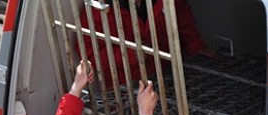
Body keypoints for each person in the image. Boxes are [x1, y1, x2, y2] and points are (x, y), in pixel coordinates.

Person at [79, 0, 214, 87]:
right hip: (126, 91)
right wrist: (131, 55)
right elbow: (90, 53)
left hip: (168, 80)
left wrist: (197, 49)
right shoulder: (98, 6)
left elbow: (182, 19)